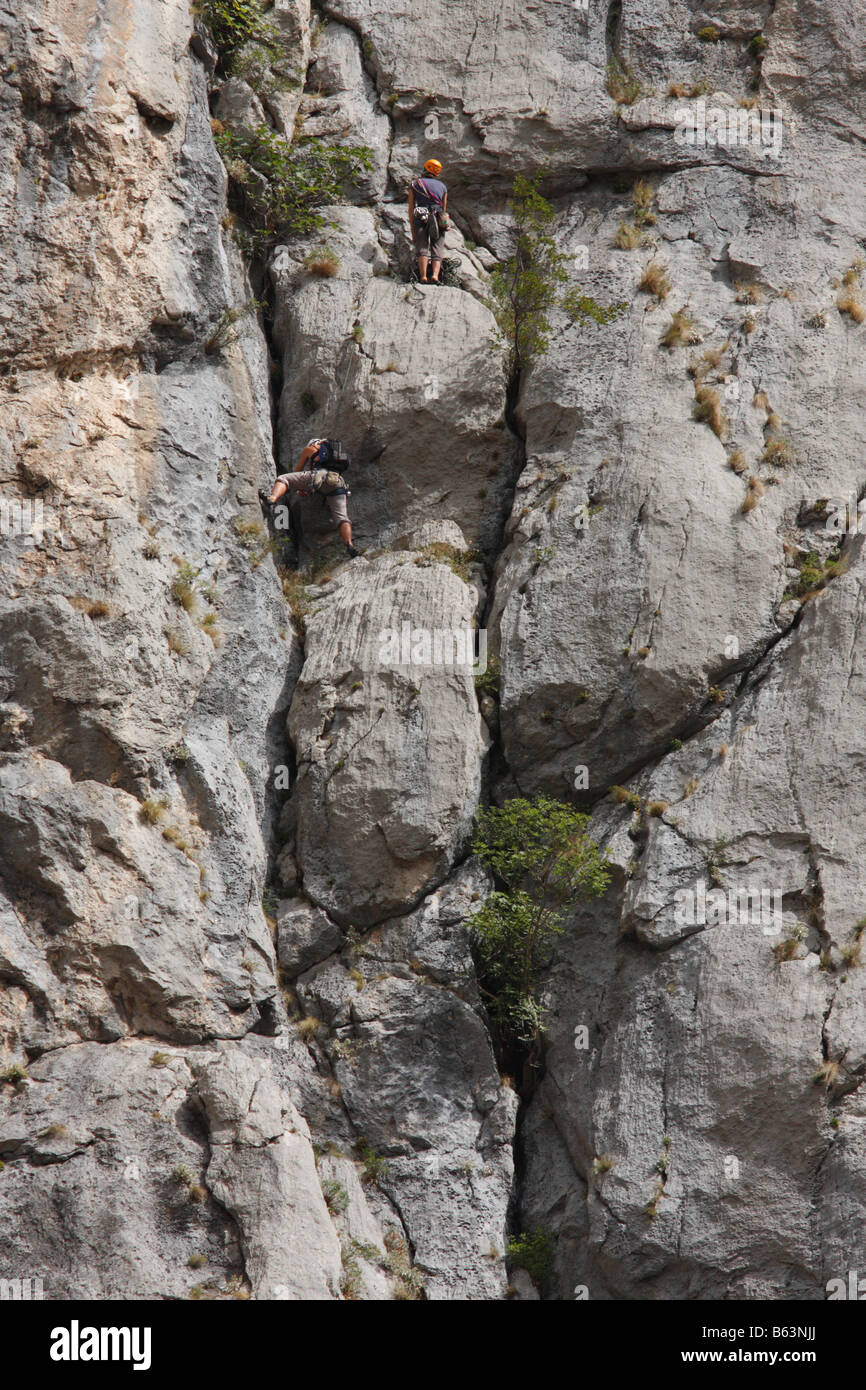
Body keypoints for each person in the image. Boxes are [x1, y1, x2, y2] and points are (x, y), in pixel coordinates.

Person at [260, 438, 359, 558]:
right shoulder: (336, 454)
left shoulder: (310, 449)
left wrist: (300, 487)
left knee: (284, 479)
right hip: (337, 482)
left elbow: (297, 471)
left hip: (317, 477)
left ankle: (272, 498)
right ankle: (349, 544)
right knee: (342, 517)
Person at [408, 158, 449, 284]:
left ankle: (423, 276)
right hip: (438, 217)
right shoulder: (443, 186)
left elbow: (411, 208)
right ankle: (435, 276)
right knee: (437, 247)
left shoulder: (415, 184)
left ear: (425, 169)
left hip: (421, 217)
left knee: (422, 247)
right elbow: (444, 208)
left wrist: (412, 230)